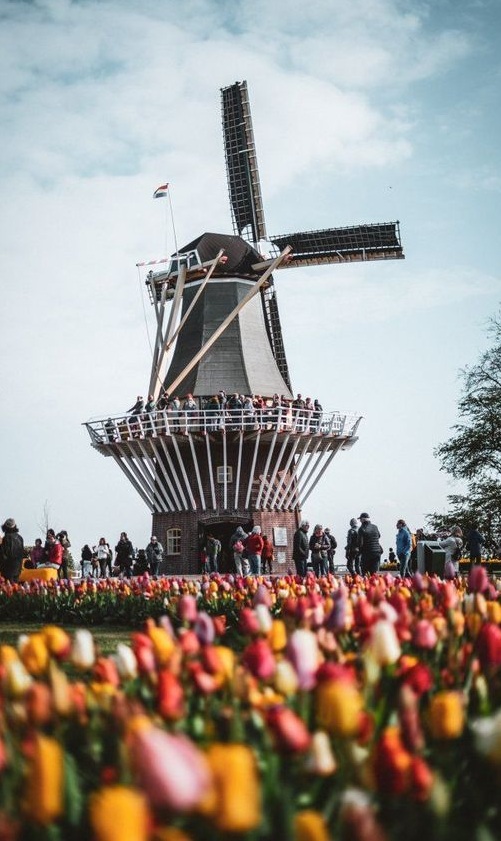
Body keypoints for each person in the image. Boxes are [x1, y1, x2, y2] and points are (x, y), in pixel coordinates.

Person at [0, 518, 24, 582]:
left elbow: (3, 555)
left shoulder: (6, 538)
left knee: (7, 589)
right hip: (18, 568)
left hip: (7, 569)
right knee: (15, 588)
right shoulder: (20, 538)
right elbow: (22, 554)